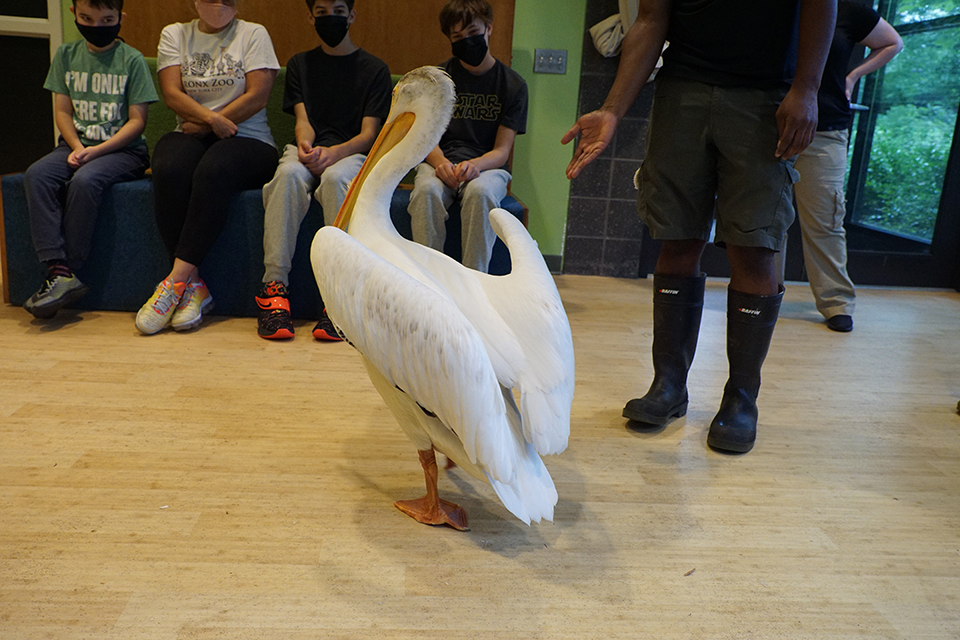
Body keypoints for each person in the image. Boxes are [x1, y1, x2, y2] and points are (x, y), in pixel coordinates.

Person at [562, 0, 836, 453]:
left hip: (765, 95)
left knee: (754, 245)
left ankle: (741, 401)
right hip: (680, 90)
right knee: (676, 238)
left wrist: (807, 89)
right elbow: (651, 19)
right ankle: (669, 386)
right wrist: (612, 109)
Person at [136, 0, 280, 335]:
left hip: (249, 138)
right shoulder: (175, 34)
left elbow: (258, 95)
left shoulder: (253, 33)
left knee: (214, 169)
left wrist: (209, 124)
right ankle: (194, 286)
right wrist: (210, 121)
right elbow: (172, 94)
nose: (218, 5)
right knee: (169, 166)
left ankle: (173, 283)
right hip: (192, 130)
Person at [255, 0, 392, 341]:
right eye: (321, 12)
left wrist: (334, 153)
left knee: (334, 180)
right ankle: (274, 290)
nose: (330, 18)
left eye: (338, 11)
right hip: (313, 149)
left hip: (350, 153)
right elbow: (303, 121)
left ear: (352, 16)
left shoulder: (375, 70)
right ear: (310, 16)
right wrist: (306, 146)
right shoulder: (300, 64)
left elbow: (369, 135)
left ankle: (339, 300)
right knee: (286, 176)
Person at [22, 0, 158, 320]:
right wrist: (76, 146)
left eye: (107, 19)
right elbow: (63, 111)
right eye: (87, 18)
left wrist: (97, 151)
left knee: (86, 180)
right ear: (74, 15)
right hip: (73, 146)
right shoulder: (66, 56)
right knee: (36, 175)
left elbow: (137, 122)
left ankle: (68, 266)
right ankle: (57, 270)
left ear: (120, 18)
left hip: (124, 151)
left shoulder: (132, 60)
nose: (97, 27)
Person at [793, 1, 902, 333]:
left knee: (826, 217)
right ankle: (764, 293)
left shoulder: (848, 8)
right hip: (766, 122)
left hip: (825, 128)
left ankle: (836, 302)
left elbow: (892, 41)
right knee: (766, 216)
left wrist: (853, 76)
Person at [407, 0, 528, 273]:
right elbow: (425, 136)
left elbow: (502, 151)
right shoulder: (437, 79)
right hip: (440, 160)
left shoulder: (513, 85)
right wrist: (440, 163)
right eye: (457, 37)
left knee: (481, 193)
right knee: (425, 191)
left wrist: (476, 166)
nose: (467, 41)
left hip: (488, 167)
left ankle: (475, 280)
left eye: (473, 32)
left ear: (489, 28)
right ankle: (429, 280)